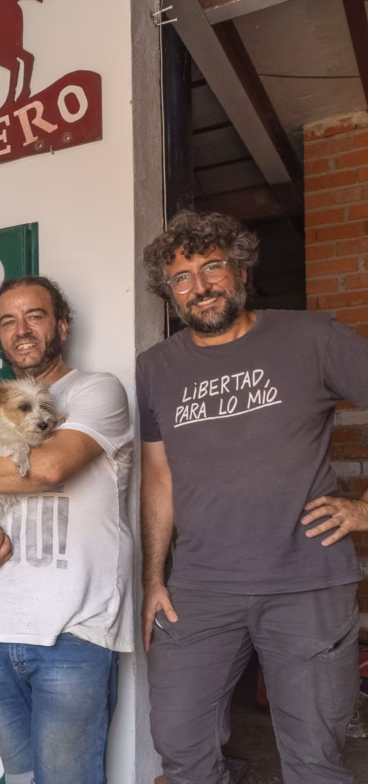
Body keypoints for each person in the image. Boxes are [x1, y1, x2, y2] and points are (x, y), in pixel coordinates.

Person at [138, 210, 368, 784]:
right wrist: (152, 580)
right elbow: (159, 477)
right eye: (182, 278)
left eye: (212, 267)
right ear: (169, 292)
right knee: (181, 749)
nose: (200, 286)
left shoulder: (312, 337)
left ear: (240, 268)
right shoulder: (155, 368)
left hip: (306, 584)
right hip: (197, 590)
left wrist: (365, 509)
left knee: (313, 760)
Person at [0, 275, 134, 784]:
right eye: (8, 321)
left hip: (73, 631)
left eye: (35, 316)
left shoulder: (97, 390)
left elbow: (46, 468)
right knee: (19, 777)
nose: (21, 329)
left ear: (61, 324)